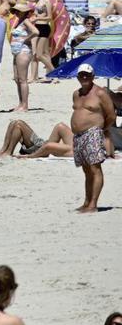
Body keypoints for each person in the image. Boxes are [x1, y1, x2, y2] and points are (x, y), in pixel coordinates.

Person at [70, 62, 115, 213]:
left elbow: (111, 115)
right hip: (78, 136)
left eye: (87, 75)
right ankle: (86, 202)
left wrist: (102, 129)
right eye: (81, 75)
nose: (84, 77)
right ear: (77, 77)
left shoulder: (100, 93)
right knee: (86, 170)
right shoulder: (76, 94)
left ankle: (93, 204)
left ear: (93, 76)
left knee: (95, 168)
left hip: (93, 133)